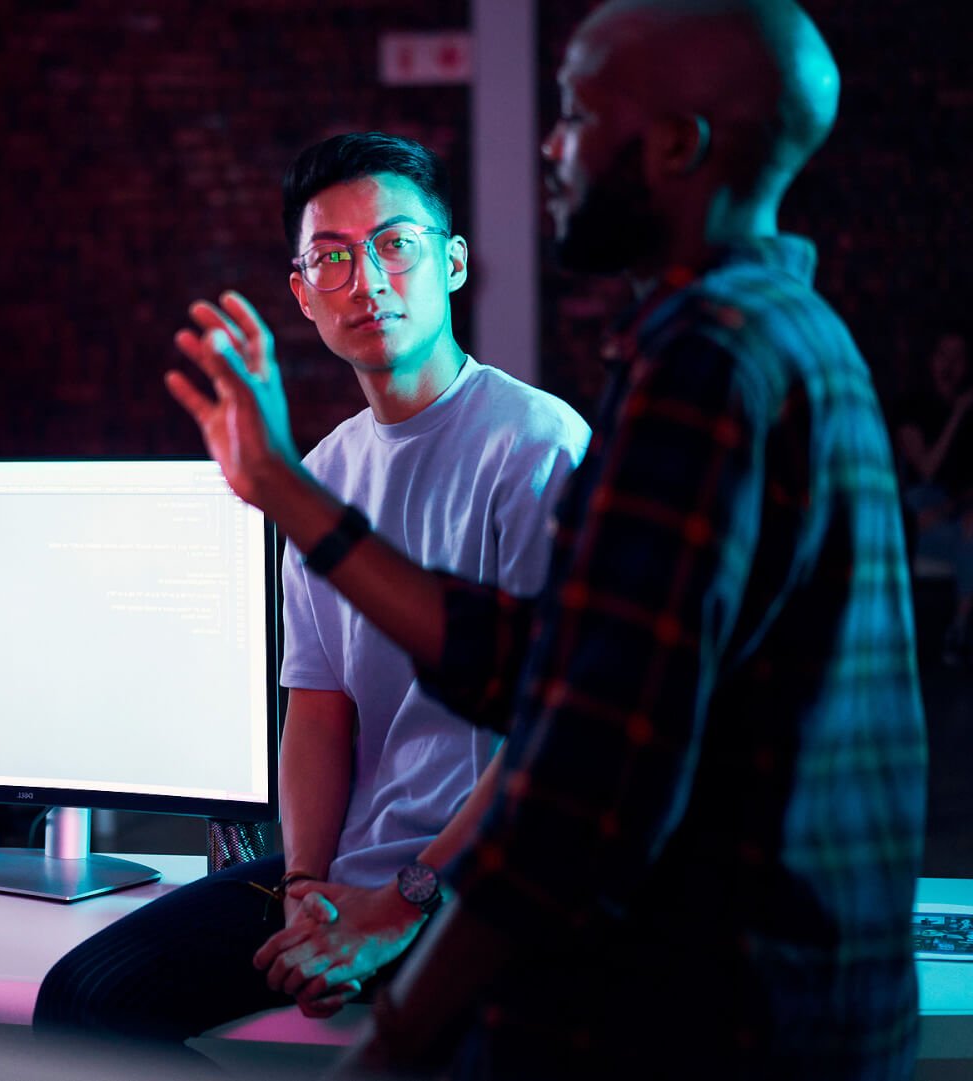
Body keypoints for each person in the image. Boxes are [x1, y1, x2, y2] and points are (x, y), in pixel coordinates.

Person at [164, 1, 926, 1077]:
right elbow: (555, 665)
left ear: (672, 145)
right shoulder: (775, 330)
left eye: (574, 112)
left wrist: (398, 1013)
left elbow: (581, 765)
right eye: (332, 257)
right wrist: (291, 493)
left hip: (731, 996)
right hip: (791, 979)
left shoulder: (702, 366)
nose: (550, 145)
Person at [33, 133, 589, 1048]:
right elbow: (320, 708)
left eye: (395, 245)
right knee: (83, 1001)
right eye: (332, 257)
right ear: (302, 293)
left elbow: (554, 732)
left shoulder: (534, 445)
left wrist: (406, 901)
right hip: (352, 868)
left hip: (486, 876)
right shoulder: (321, 468)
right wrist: (302, 886)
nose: (366, 278)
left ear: (451, 264)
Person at [895, 328, 973, 665]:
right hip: (916, 511)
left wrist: (957, 510)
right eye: (944, 355)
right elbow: (926, 468)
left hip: (948, 512)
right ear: (931, 360)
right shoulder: (913, 406)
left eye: (958, 358)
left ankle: (958, 629)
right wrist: (956, 416)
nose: (951, 365)